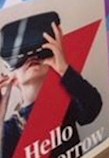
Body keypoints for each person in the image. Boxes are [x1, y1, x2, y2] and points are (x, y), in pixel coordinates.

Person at [0, 16, 102, 158]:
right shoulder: (11, 128)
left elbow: (92, 110)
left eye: (38, 53)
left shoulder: (64, 101)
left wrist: (64, 69)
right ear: (13, 79)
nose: (31, 58)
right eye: (20, 58)